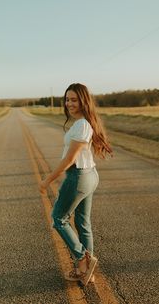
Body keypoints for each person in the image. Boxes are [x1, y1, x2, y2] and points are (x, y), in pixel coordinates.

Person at [39, 83, 112, 286]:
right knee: (82, 222)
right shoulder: (84, 122)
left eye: (74, 99)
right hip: (89, 175)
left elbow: (69, 160)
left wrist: (47, 180)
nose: (69, 103)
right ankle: (87, 271)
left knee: (58, 218)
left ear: (83, 101)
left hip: (79, 177)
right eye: (67, 99)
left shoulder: (81, 125)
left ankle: (82, 259)